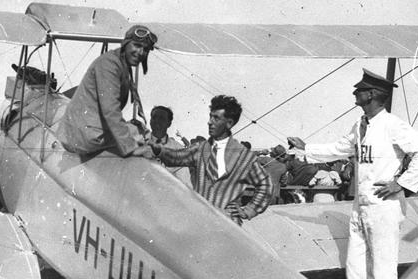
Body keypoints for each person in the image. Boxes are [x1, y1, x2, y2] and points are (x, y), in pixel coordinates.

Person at [287, 68, 418, 279]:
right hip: (361, 204)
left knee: (383, 267)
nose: (355, 93)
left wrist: (402, 184)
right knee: (355, 264)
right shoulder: (360, 125)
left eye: (360, 90)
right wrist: (307, 148)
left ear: (372, 94)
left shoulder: (393, 125)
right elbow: (340, 148)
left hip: (385, 205)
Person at [150, 95, 273, 225]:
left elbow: (265, 183)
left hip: (228, 225)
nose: (209, 122)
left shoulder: (242, 155)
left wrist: (248, 210)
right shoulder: (200, 149)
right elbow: (175, 157)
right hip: (199, 221)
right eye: (210, 116)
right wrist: (158, 150)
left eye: (216, 118)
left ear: (229, 123)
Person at [56, 25, 158, 158]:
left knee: (139, 130)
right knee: (139, 134)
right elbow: (110, 109)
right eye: (137, 45)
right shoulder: (109, 64)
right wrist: (131, 147)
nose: (140, 52)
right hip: (85, 137)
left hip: (86, 129)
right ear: (125, 44)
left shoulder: (120, 63)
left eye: (145, 49)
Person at [147, 106, 193, 188]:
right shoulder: (139, 143)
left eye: (161, 118)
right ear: (150, 121)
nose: (157, 121)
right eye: (154, 117)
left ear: (169, 123)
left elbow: (186, 185)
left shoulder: (178, 150)